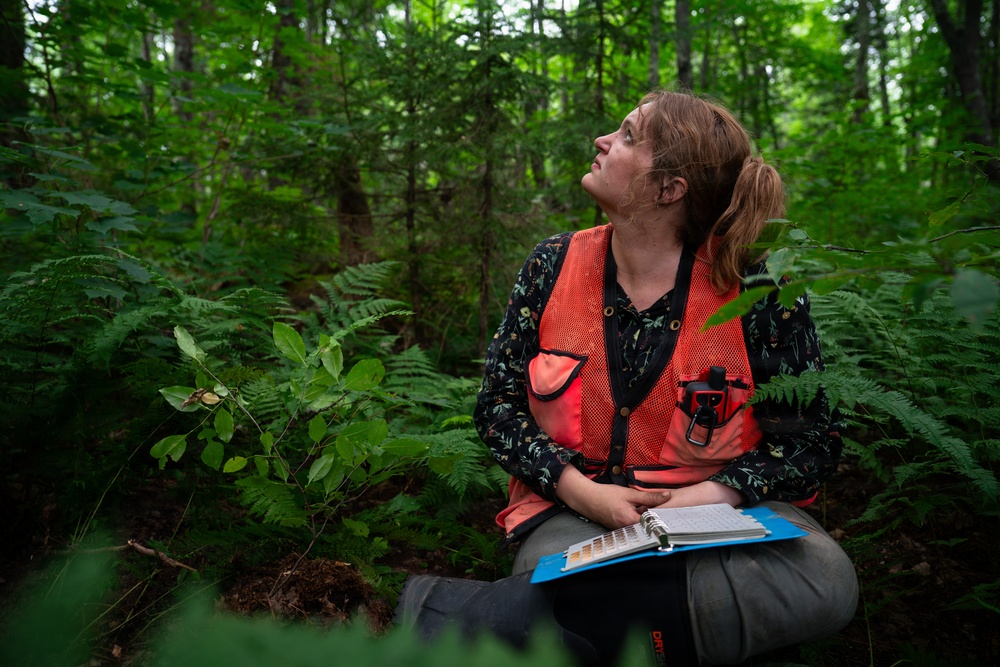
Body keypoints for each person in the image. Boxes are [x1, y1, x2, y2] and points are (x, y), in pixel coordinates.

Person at [395, 90, 858, 666]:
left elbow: (812, 442)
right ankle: (695, 637)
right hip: (576, 519)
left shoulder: (757, 290)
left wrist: (698, 500)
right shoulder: (552, 265)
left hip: (725, 521)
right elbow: (496, 409)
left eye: (629, 136)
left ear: (669, 190)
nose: (602, 142)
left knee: (827, 578)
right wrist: (586, 493)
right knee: (567, 572)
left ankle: (577, 631)